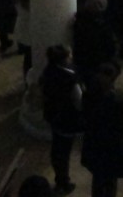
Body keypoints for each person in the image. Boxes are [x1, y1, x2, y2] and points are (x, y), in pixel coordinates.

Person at [80, 62, 123, 197]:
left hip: (93, 143)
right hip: (112, 146)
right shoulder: (115, 102)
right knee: (110, 181)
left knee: (97, 179)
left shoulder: (87, 96)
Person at [41, 44, 83, 195]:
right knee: (63, 152)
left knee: (57, 150)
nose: (71, 57)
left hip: (54, 117)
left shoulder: (48, 72)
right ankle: (63, 182)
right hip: (67, 120)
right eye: (69, 55)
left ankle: (61, 180)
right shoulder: (70, 78)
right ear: (64, 59)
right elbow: (79, 102)